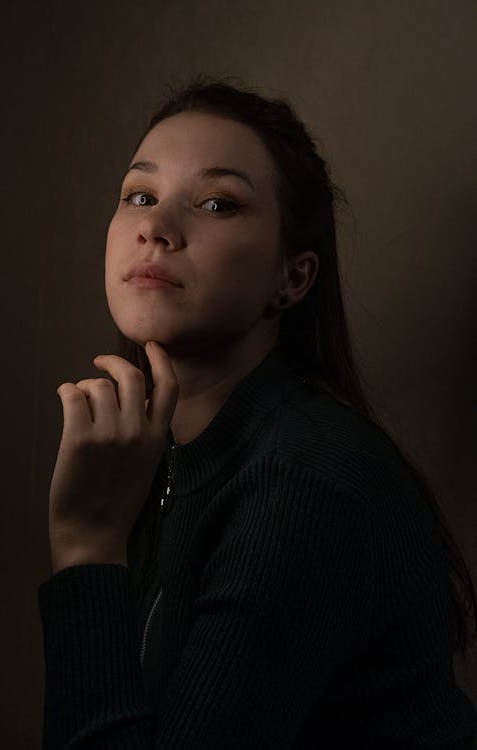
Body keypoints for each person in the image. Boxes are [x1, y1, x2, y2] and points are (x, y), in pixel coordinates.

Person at [38, 74, 477, 748]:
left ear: (292, 277)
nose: (155, 227)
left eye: (216, 204)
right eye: (139, 195)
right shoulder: (146, 453)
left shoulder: (308, 484)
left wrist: (86, 547)